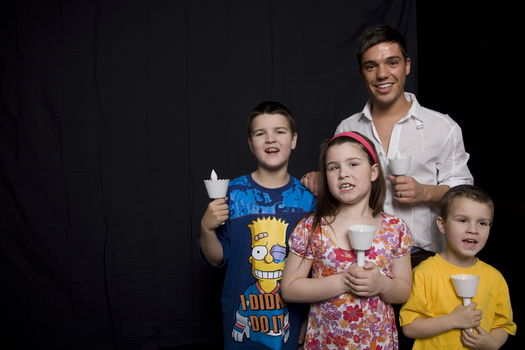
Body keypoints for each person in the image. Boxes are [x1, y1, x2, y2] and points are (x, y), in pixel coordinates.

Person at [301, 24, 473, 266]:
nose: (382, 74)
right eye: (371, 66)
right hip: (360, 259)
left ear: (407, 66)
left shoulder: (443, 127)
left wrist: (425, 192)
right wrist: (325, 178)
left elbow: (465, 198)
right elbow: (341, 187)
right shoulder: (347, 128)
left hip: (423, 260)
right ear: (362, 73)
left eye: (392, 63)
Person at [199, 101, 316, 350]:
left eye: (279, 131)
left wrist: (313, 319)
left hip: (292, 323)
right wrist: (207, 228)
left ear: (294, 140)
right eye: (260, 133)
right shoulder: (232, 193)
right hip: (240, 324)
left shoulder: (308, 199)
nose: (270, 139)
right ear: (251, 144)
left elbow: (320, 268)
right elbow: (215, 258)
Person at [281, 132, 412, 349]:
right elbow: (290, 288)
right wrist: (343, 282)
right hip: (325, 342)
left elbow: (403, 290)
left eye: (353, 164)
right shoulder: (311, 228)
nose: (343, 174)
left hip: (378, 344)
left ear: (373, 172)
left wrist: (381, 284)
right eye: (334, 167)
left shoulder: (395, 228)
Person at [399, 185, 516, 349]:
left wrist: (492, 343)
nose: (473, 230)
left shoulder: (495, 278)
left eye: (482, 223)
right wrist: (452, 320)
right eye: (463, 220)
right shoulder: (424, 273)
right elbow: (410, 327)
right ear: (442, 225)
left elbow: (503, 324)